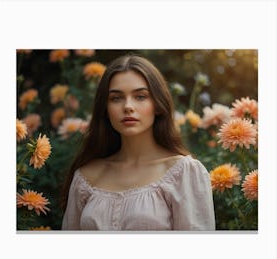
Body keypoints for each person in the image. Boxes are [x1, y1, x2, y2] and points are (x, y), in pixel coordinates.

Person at [61, 54, 215, 231]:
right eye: (116, 98)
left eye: (140, 96)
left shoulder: (185, 173)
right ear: (105, 108)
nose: (128, 106)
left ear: (157, 104)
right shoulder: (85, 178)